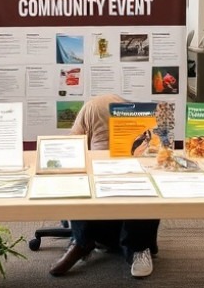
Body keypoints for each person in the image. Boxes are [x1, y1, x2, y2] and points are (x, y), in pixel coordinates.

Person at [49, 94, 160, 278]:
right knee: (78, 178)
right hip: (99, 178)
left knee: (149, 182)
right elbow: (72, 143)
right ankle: (81, 242)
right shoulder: (93, 108)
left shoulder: (145, 116)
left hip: (133, 174)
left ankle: (138, 249)